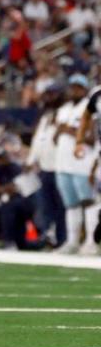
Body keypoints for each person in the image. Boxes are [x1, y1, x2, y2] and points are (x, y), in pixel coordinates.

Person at [54, 75, 96, 254]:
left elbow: (93, 137)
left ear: (85, 89)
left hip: (82, 163)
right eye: (72, 87)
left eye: (78, 88)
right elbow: (56, 138)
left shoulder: (90, 107)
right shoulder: (63, 109)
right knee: (70, 205)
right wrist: (58, 132)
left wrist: (69, 130)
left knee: (88, 202)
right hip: (63, 163)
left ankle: (90, 241)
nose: (74, 91)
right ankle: (72, 241)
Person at [27, 83, 66, 247]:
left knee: (61, 207)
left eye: (52, 94)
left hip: (60, 168)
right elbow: (38, 141)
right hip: (44, 168)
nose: (49, 97)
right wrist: (31, 160)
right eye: (47, 94)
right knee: (46, 207)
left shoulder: (65, 114)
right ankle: (48, 236)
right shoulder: (44, 117)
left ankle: (63, 239)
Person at [73, 81, 101, 255]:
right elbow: (86, 116)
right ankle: (91, 240)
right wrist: (79, 141)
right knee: (96, 197)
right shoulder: (97, 95)